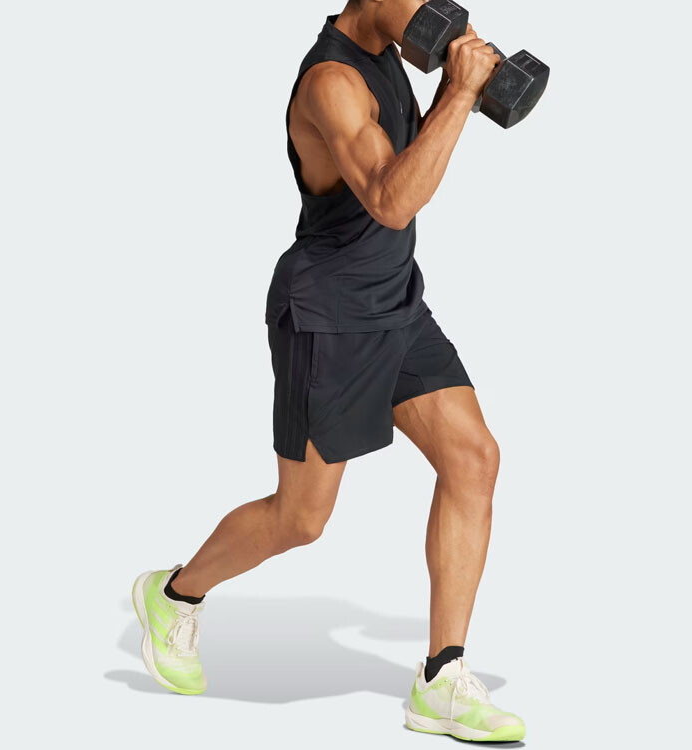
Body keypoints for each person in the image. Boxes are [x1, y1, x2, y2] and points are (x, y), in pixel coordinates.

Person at [132, 0, 525, 741]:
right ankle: (174, 594)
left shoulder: (390, 57)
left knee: (473, 457)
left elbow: (409, 168)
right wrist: (461, 95)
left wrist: (457, 87)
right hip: (329, 314)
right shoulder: (331, 83)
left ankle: (441, 677)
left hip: (396, 303)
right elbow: (391, 200)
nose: (439, 12)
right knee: (301, 520)